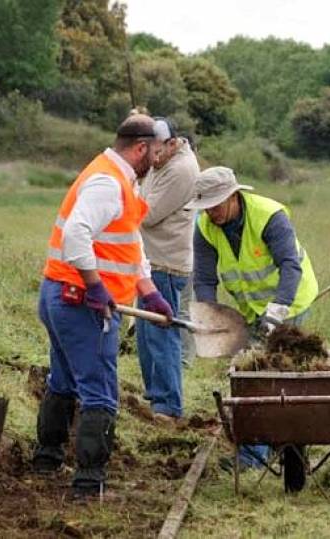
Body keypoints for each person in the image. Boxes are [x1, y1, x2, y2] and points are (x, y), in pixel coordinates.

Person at [33, 114, 174, 502]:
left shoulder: (120, 178)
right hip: (80, 303)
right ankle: (88, 483)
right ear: (141, 147)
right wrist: (95, 286)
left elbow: (128, 243)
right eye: (156, 152)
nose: (158, 160)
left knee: (63, 378)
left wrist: (148, 291)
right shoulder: (106, 182)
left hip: (60, 295)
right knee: (100, 392)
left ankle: (47, 459)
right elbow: (76, 235)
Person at [187, 166, 318, 470]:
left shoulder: (270, 217)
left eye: (216, 205)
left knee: (273, 373)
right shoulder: (205, 227)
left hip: (290, 301)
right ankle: (260, 448)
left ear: (234, 196)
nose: (211, 213)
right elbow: (205, 277)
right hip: (250, 307)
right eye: (205, 208)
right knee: (250, 375)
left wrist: (277, 311)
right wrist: (209, 315)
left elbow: (290, 266)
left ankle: (263, 452)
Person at [136, 117, 199, 423]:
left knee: (162, 335)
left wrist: (133, 199)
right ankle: (155, 396)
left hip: (167, 263)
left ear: (173, 143)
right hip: (150, 261)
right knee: (147, 336)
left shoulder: (182, 170)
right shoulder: (162, 163)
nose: (153, 157)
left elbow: (146, 214)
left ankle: (168, 405)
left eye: (158, 150)